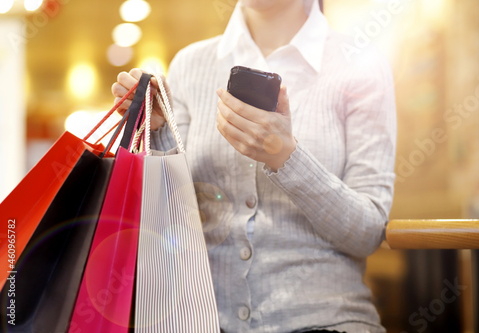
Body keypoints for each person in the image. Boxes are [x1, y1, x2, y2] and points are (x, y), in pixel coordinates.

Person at [112, 0, 397, 332]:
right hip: (203, 320)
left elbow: (367, 233)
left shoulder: (360, 63)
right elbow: (171, 224)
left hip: (327, 321)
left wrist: (286, 156)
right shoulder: (190, 65)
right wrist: (158, 131)